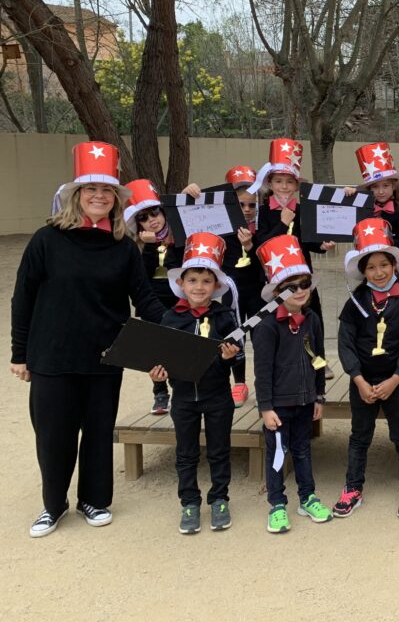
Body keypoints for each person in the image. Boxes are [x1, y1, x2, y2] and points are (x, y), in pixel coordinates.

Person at [11, 142, 165, 538]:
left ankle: (94, 499)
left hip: (105, 355)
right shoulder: (46, 240)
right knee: (53, 435)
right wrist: (19, 353)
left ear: (116, 199)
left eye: (107, 190)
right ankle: (53, 505)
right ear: (76, 195)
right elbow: (23, 296)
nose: (99, 196)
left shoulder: (123, 247)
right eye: (91, 189)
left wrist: (180, 329)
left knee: (97, 432)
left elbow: (144, 298)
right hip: (52, 356)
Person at [148, 232, 242, 534]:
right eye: (192, 280)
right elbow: (159, 359)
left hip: (218, 396)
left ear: (215, 286)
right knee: (186, 453)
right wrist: (159, 383)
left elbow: (238, 356)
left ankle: (219, 499)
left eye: (205, 281)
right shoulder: (170, 318)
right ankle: (189, 502)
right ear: (181, 283)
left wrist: (229, 358)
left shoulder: (225, 316)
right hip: (184, 398)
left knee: (219, 450)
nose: (199, 287)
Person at [335, 218, 399, 518]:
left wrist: (397, 378)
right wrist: (358, 380)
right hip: (363, 381)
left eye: (384, 264)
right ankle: (352, 488)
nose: (379, 272)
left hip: (395, 381)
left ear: (394, 265)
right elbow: (345, 343)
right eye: (371, 267)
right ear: (363, 271)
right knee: (359, 436)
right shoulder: (355, 302)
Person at [252, 234, 332, 533]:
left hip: (306, 400)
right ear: (277, 292)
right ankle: (277, 504)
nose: (300, 291)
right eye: (291, 287)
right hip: (278, 405)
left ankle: (307, 497)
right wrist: (265, 407)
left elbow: (319, 359)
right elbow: (262, 370)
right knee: (277, 454)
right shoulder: (266, 326)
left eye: (304, 284)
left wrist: (319, 395)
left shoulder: (312, 319)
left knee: (302, 451)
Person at [182, 166, 264, 406]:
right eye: (241, 204)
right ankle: (239, 383)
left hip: (259, 289)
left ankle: (264, 384)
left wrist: (250, 246)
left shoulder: (264, 224)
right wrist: (188, 195)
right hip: (231, 289)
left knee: (262, 336)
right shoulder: (218, 222)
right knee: (233, 335)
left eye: (252, 205)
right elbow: (187, 220)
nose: (247, 209)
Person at [249, 138, 335, 324]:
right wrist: (282, 223)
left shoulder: (303, 210)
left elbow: (308, 239)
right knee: (273, 322)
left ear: (296, 186)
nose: (284, 186)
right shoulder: (262, 212)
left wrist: (322, 246)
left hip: (302, 277)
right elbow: (261, 244)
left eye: (289, 182)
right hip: (273, 280)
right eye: (278, 181)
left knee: (311, 318)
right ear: (270, 184)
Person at [123, 178, 183, 415]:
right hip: (151, 300)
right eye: (143, 217)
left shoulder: (179, 236)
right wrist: (149, 246)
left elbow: (179, 268)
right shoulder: (137, 245)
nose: (151, 219)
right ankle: (160, 392)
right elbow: (142, 275)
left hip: (178, 297)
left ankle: (180, 389)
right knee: (155, 349)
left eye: (155, 212)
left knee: (180, 345)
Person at [344, 142, 399, 254]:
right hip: (366, 258)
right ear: (369, 189)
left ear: (393, 186)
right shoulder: (363, 207)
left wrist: (384, 242)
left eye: (385, 186)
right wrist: (348, 195)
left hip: (390, 260)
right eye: (375, 187)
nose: (381, 191)